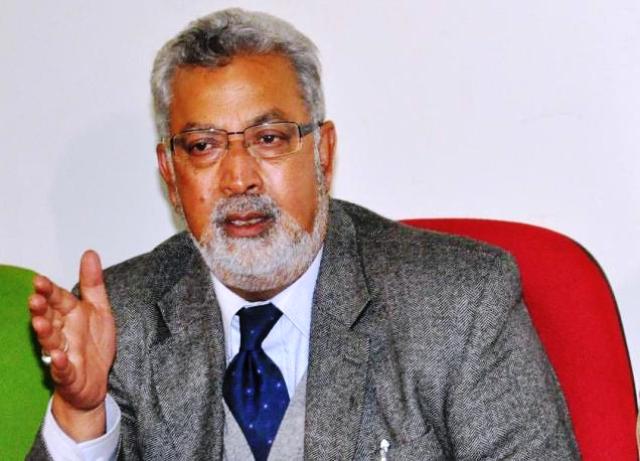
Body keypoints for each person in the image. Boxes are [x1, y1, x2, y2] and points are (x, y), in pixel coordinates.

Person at [26, 8, 579, 460]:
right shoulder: (122, 320)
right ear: (171, 174)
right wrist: (81, 413)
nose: (238, 178)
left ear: (323, 153)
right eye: (203, 146)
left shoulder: (460, 302)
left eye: (268, 138)